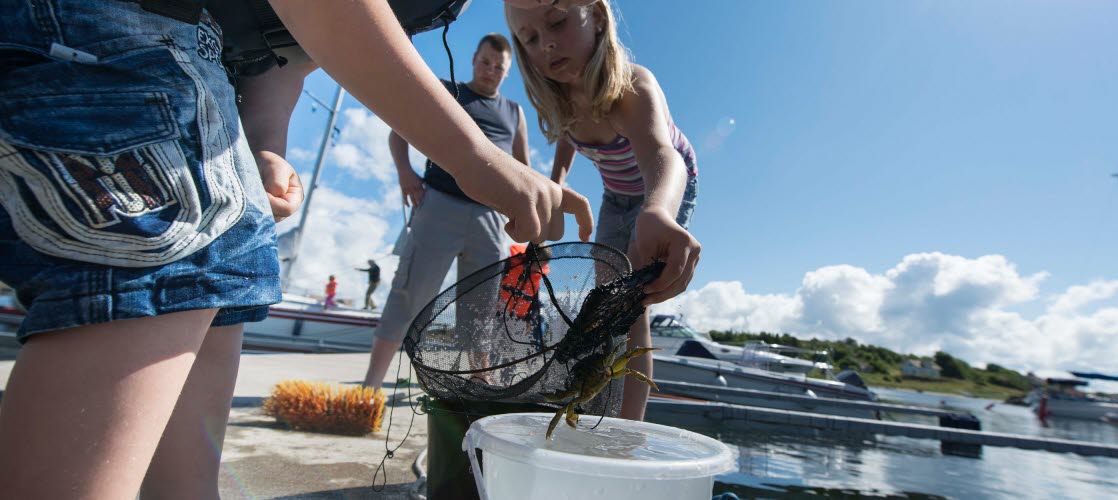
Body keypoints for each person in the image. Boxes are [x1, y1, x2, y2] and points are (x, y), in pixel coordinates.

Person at [0, 2, 592, 498]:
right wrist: (472, 157)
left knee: (220, 278)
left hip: (202, 59)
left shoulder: (510, 109)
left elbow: (280, 51)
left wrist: (263, 143)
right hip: (104, 33)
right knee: (173, 270)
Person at [507, 0, 703, 421]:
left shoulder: (630, 88)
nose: (547, 46)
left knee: (632, 304)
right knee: (603, 299)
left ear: (596, 16)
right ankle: (596, 403)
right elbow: (566, 134)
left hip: (666, 188)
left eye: (557, 23)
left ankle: (627, 429)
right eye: (531, 39)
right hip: (616, 197)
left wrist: (658, 210)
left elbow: (659, 157)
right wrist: (557, 180)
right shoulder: (562, 96)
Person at [362, 33, 558, 391]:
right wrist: (406, 174)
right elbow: (399, 130)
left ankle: (480, 384)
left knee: (481, 308)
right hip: (439, 203)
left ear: (507, 71)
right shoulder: (447, 89)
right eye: (485, 63)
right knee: (410, 294)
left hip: (491, 217)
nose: (490, 71)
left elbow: (524, 167)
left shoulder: (514, 113)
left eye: (499, 67)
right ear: (473, 60)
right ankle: (370, 386)